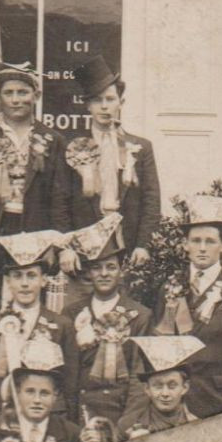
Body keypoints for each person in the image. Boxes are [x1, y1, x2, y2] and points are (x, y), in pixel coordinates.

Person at [156, 194, 222, 418]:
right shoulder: (169, 288)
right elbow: (158, 349)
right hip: (177, 405)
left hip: (221, 401)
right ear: (185, 244)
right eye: (196, 241)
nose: (202, 248)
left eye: (210, 241)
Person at [59, 55, 161, 277]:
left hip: (128, 246)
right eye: (97, 100)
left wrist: (143, 245)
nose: (104, 107)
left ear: (120, 103)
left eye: (110, 99)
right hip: (83, 247)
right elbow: (61, 202)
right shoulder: (73, 146)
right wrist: (66, 247)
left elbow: (151, 200)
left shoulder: (140, 147)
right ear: (87, 105)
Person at [0, 233, 82, 425]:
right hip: (1, 417)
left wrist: (65, 424)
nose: (25, 283)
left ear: (44, 280)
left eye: (31, 275)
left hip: (49, 420)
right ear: (8, 282)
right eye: (17, 276)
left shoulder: (62, 325)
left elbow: (71, 385)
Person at [0, 61, 69, 259]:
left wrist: (57, 243)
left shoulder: (53, 139)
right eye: (9, 93)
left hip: (36, 231)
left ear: (36, 96)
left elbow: (59, 199)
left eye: (23, 92)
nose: (15, 100)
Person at [64, 220, 152, 428]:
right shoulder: (71, 313)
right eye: (97, 267)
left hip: (121, 413)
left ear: (121, 271)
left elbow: (140, 377)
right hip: (80, 412)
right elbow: (67, 373)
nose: (104, 274)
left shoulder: (140, 315)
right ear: (89, 272)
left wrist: (124, 425)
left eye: (111, 267)